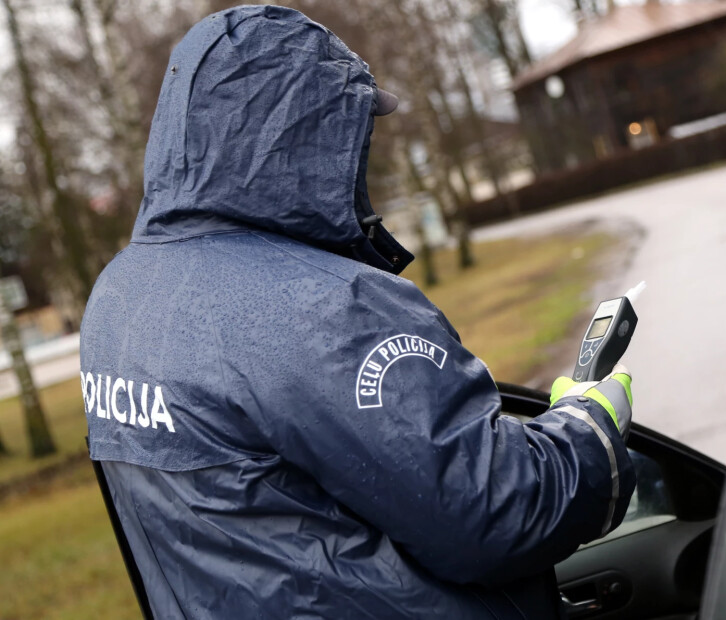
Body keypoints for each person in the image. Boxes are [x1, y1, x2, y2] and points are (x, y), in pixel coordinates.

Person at [80, 5, 635, 618]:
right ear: (311, 138)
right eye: (353, 131)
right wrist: (588, 428)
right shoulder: (325, 308)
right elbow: (497, 515)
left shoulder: (119, 298)